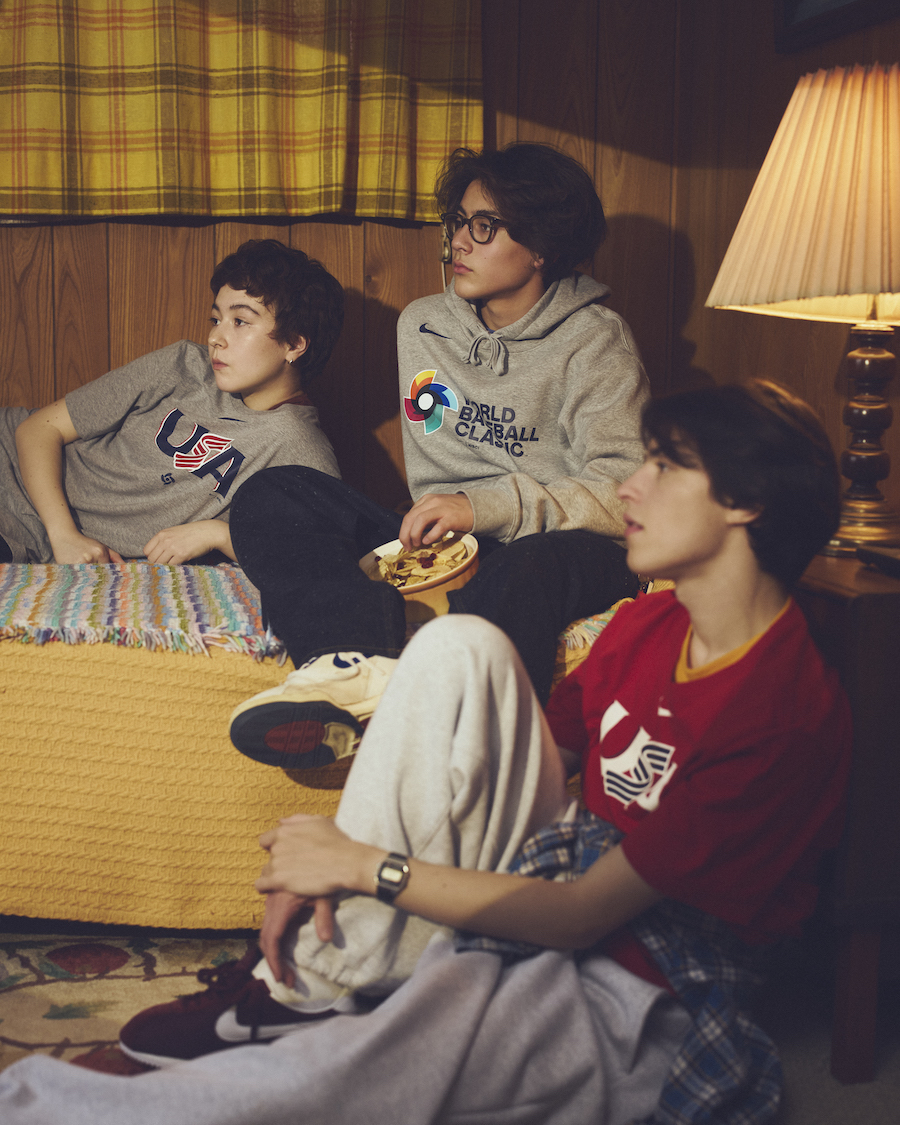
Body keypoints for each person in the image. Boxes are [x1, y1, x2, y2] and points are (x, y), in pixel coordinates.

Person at [36, 379, 845, 1125]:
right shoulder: (650, 622)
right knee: (460, 644)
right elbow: (519, 759)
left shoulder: (779, 710)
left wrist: (362, 866)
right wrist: (344, 848)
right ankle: (315, 978)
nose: (630, 487)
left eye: (664, 467)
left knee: (328, 1089)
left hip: (647, 987)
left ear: (745, 501)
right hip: (570, 866)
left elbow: (581, 917)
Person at [227, 144, 650, 771]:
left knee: (524, 569)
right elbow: (436, 469)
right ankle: (351, 666)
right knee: (273, 492)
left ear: (541, 246)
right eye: (458, 222)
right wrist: (443, 522)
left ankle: (468, 749)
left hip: (558, 543)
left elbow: (624, 494)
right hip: (446, 539)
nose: (459, 241)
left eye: (485, 226)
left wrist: (482, 506)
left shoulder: (595, 341)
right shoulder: (424, 324)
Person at [0, 239, 342, 566]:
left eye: (240, 321)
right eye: (216, 319)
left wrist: (220, 534)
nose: (215, 337)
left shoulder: (296, 444)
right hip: (13, 465)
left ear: (294, 344)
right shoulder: (184, 365)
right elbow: (36, 429)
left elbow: (328, 555)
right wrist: (63, 535)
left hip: (28, 538)